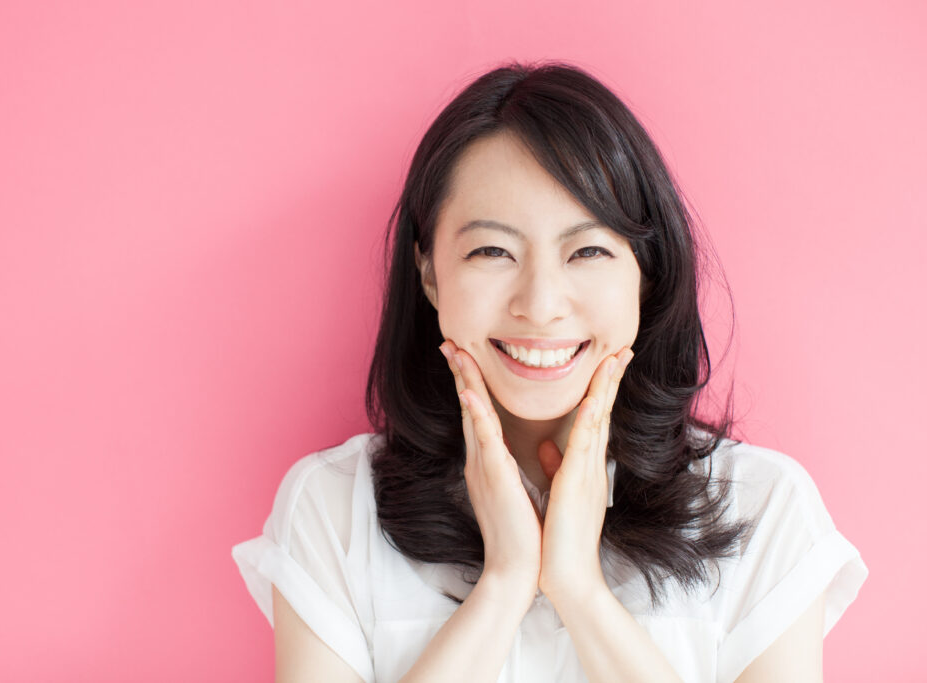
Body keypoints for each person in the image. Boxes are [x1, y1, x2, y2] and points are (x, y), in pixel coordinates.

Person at [231, 60, 868, 682]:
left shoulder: (762, 507)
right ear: (429, 272)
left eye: (588, 250)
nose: (539, 305)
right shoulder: (333, 509)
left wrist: (580, 594)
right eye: (492, 250)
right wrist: (503, 586)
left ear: (647, 271)